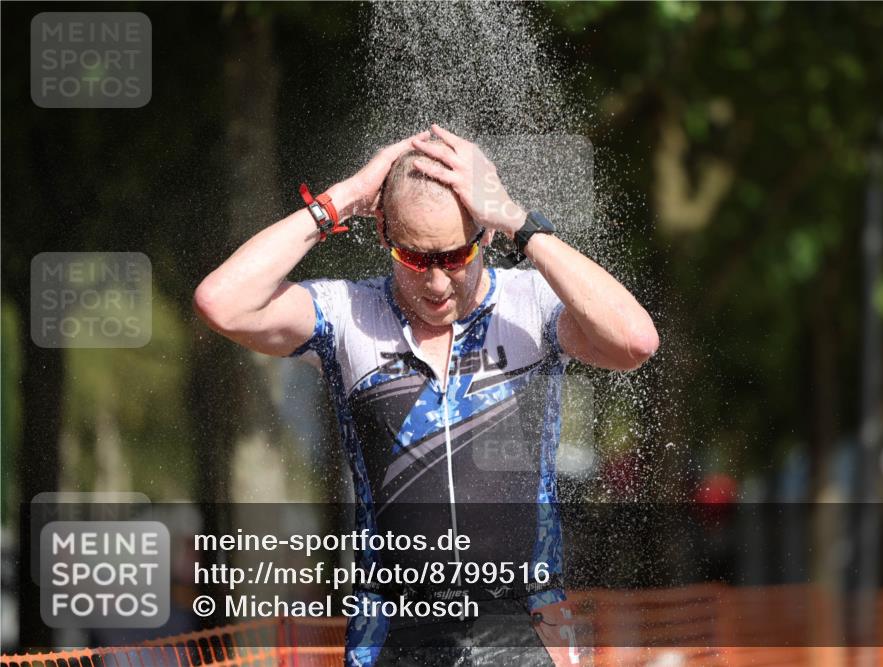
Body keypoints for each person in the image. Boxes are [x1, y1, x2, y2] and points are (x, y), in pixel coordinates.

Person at [194, 124, 659, 666]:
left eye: (455, 256)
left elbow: (634, 340)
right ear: (383, 236)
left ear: (483, 234)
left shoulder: (530, 304)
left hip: (525, 626)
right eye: (416, 259)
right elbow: (221, 303)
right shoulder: (349, 314)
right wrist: (342, 199)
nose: (438, 283)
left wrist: (517, 220)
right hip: (393, 630)